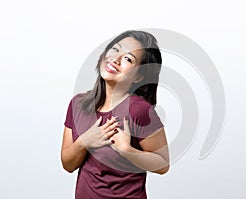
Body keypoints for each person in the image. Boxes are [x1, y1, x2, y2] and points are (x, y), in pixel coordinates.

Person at [61, 30, 169, 199]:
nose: (116, 59)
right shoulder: (78, 105)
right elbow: (68, 164)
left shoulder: (138, 110)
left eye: (128, 59)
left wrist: (126, 150)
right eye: (115, 49)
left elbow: (163, 164)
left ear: (138, 77)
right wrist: (85, 141)